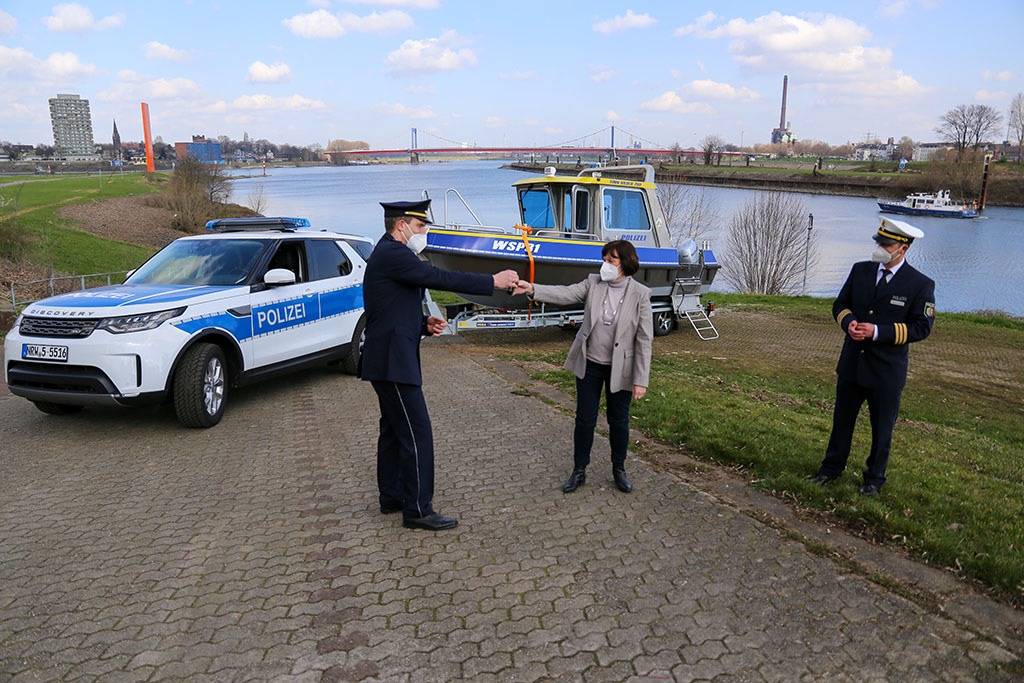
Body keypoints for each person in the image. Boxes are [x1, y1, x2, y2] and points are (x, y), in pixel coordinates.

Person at [360, 199, 519, 530]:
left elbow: (388, 308)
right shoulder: (394, 253)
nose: (425, 233)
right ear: (401, 225)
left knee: (393, 429)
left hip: (388, 357)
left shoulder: (389, 253)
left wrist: (422, 324)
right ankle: (418, 509)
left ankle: (391, 496)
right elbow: (438, 277)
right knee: (417, 432)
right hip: (392, 361)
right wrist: (492, 281)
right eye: (420, 227)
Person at [512, 240, 653, 494]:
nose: (605, 264)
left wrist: (641, 379)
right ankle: (579, 470)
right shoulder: (593, 282)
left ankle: (619, 469)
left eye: (611, 260)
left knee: (618, 421)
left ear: (626, 263)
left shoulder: (640, 294)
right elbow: (565, 293)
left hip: (620, 368)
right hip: (589, 364)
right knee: (584, 420)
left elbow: (644, 338)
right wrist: (532, 288)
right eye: (604, 259)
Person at [809, 217, 936, 496]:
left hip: (886, 372)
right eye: (878, 241)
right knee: (842, 423)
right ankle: (831, 469)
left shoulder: (920, 284)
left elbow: (921, 327)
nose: (879, 247)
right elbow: (840, 304)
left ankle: (874, 480)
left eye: (886, 244)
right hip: (852, 365)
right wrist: (849, 323)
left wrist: (877, 331)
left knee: (882, 431)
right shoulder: (860, 271)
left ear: (903, 248)